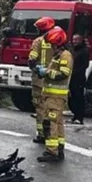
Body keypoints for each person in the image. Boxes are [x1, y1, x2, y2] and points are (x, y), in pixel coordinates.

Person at [37, 27, 72, 163]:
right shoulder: (58, 55)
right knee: (57, 122)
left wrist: (46, 72)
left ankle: (52, 152)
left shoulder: (65, 56)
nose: (51, 46)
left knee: (51, 122)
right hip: (51, 96)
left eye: (52, 44)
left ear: (58, 43)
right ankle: (59, 148)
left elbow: (63, 73)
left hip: (56, 97)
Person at [27, 16, 56, 144]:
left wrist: (35, 68)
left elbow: (32, 60)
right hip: (54, 80)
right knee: (53, 109)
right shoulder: (57, 41)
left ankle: (41, 134)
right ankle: (53, 134)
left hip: (39, 80)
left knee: (40, 107)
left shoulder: (38, 41)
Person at [68, 33, 90, 124]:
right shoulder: (72, 50)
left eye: (76, 40)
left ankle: (79, 117)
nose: (74, 42)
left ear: (81, 40)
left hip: (79, 79)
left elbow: (85, 65)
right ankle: (74, 116)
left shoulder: (84, 51)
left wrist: (75, 72)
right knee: (72, 97)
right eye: (73, 40)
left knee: (79, 98)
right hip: (71, 78)